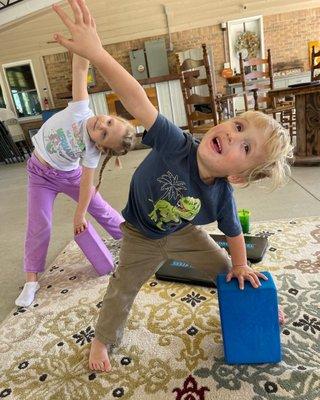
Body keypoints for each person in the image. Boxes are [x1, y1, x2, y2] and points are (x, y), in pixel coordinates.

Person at [52, 0, 293, 372]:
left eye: (245, 147)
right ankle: (102, 340)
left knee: (228, 268)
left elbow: (234, 235)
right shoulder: (174, 142)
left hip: (183, 232)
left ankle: (256, 304)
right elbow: (134, 98)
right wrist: (97, 54)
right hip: (139, 235)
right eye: (238, 126)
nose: (232, 136)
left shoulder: (223, 195)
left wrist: (242, 266)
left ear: (239, 176)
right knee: (122, 288)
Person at [15, 51, 136, 308]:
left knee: (99, 206)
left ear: (101, 147)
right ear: (109, 114)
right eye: (109, 121)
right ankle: (31, 279)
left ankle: (132, 238)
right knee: (40, 224)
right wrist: (83, 43)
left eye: (104, 134)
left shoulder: (91, 152)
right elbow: (80, 69)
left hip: (70, 176)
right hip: (39, 174)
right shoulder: (81, 109)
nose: (101, 126)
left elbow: (86, 185)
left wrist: (79, 215)